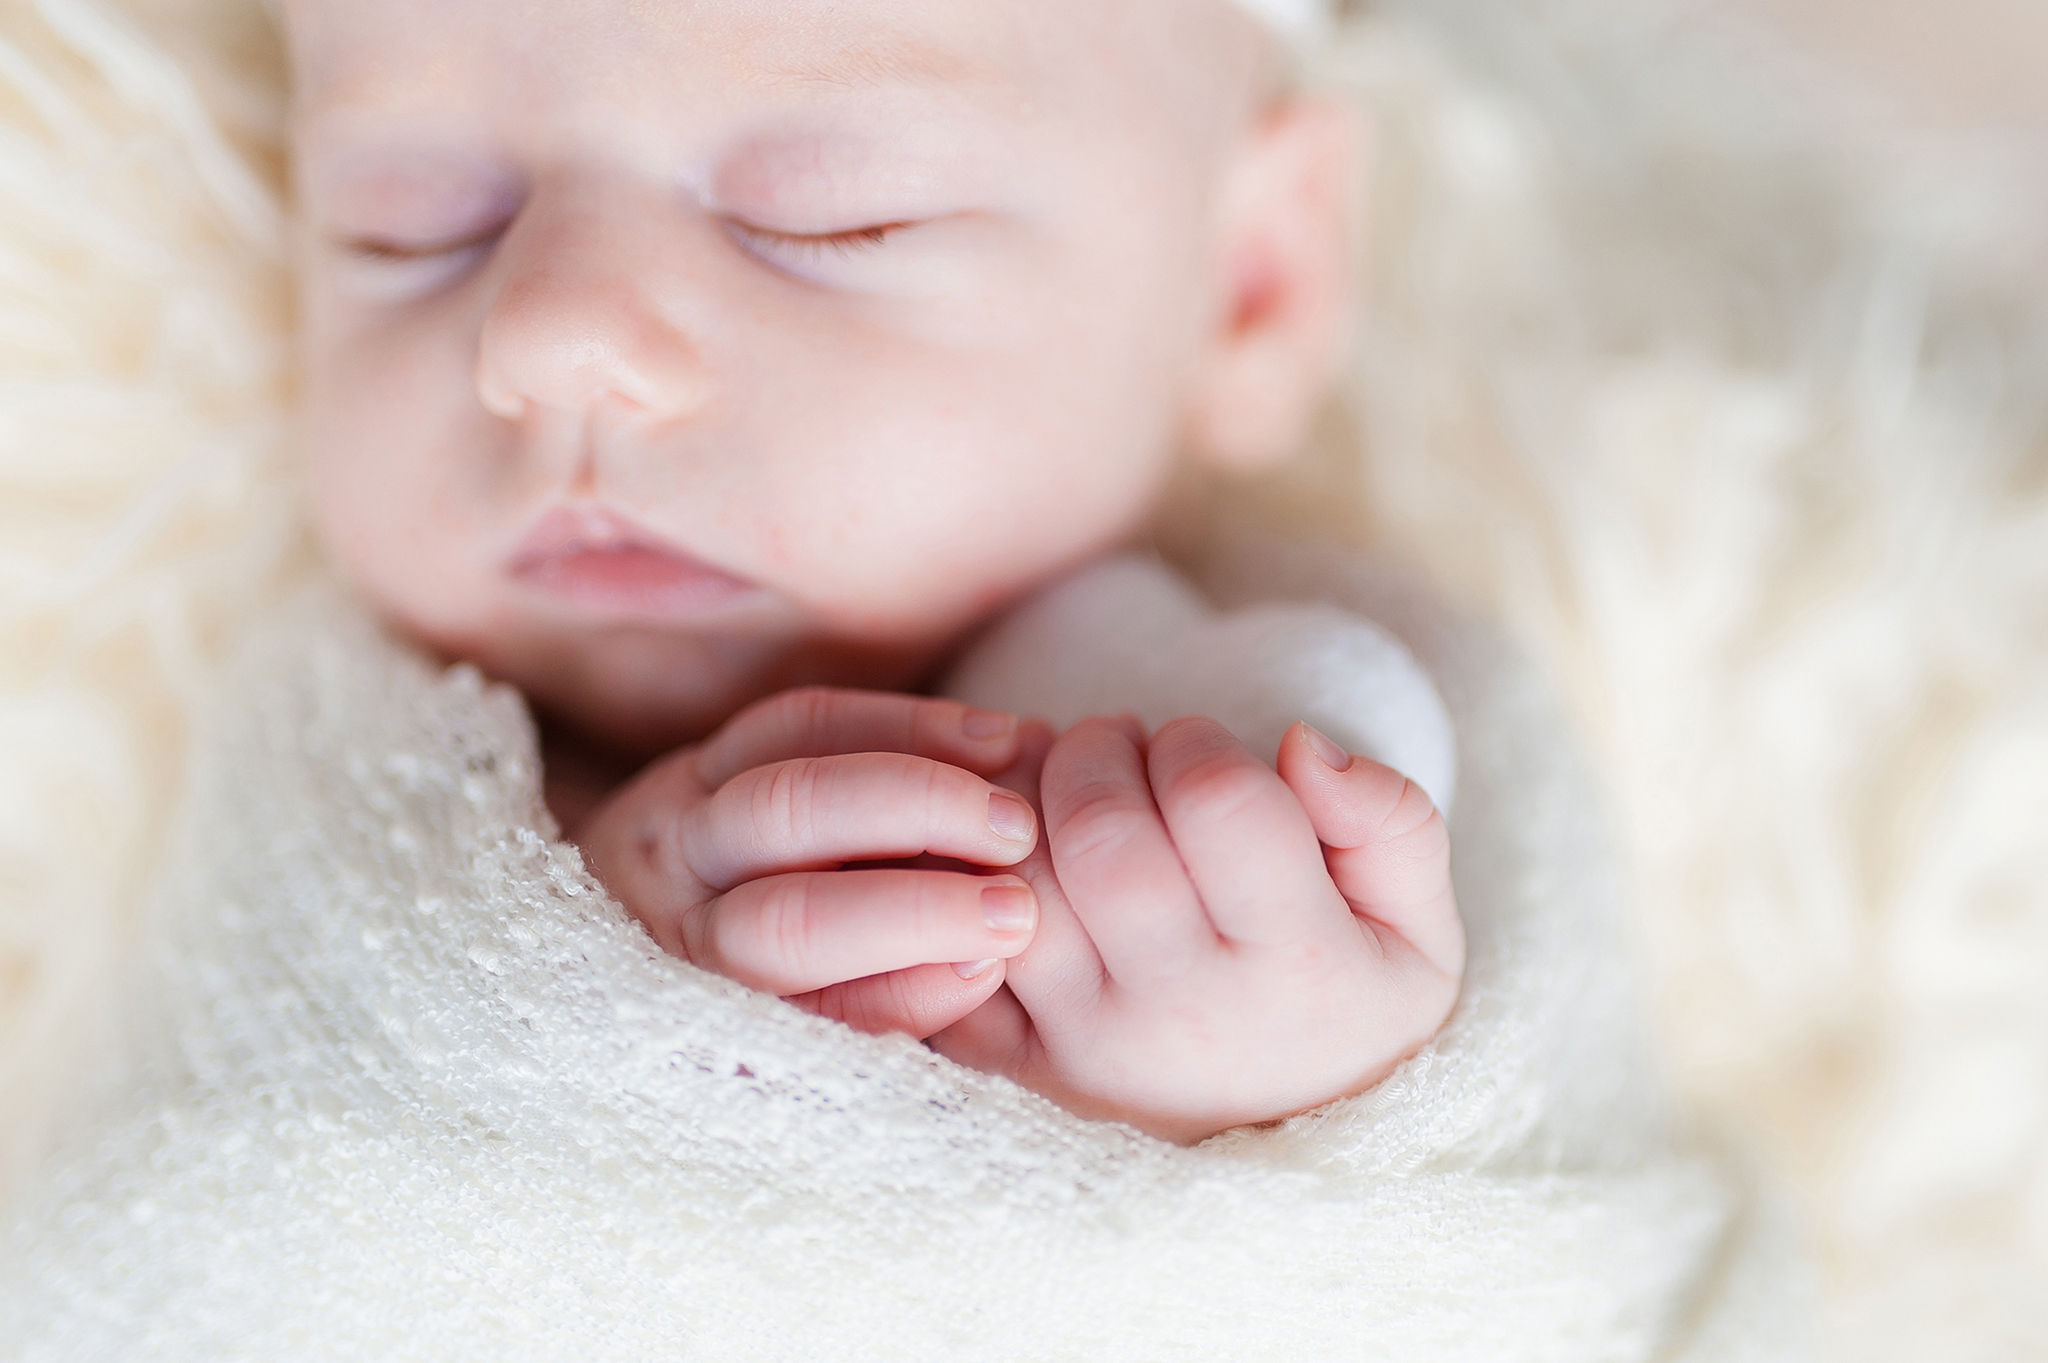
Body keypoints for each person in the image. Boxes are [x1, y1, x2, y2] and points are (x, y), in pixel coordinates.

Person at [0, 0, 1805, 1356]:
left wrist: (1300, 1078)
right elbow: (229, 1174)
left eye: (830, 217)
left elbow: (1510, 1219)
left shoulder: (1332, 728)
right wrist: (598, 998)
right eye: (415, 223)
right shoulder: (336, 800)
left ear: (1246, 286)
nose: (547, 333)